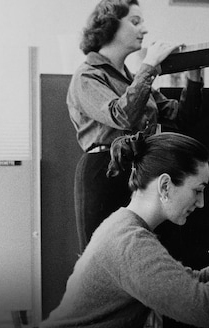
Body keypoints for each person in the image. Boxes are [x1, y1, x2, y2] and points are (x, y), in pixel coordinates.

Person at [40, 132, 209, 328]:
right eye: (197, 190)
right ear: (165, 186)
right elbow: (206, 309)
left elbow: (191, 283)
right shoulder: (130, 242)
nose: (201, 203)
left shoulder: (124, 225)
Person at [68, 0, 200, 251]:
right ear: (109, 26)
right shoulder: (87, 75)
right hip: (106, 174)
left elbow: (180, 118)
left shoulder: (132, 78)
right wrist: (148, 67)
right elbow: (122, 115)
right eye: (135, 21)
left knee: (146, 258)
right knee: (107, 257)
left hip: (140, 170)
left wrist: (193, 75)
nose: (144, 29)